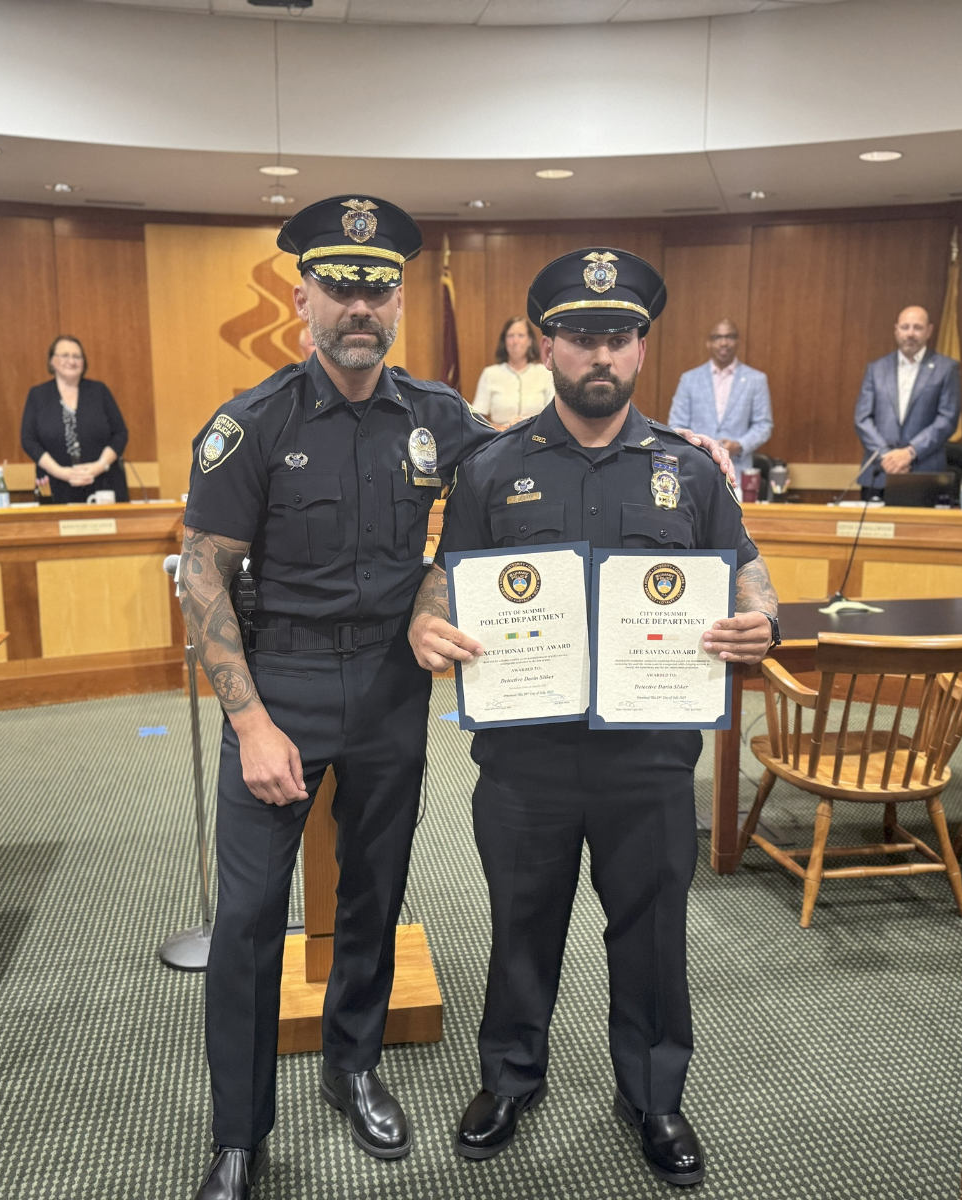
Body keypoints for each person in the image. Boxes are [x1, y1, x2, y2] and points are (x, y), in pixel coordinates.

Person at [407, 247, 777, 1188]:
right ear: (547, 346)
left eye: (617, 336)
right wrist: (426, 615)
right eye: (578, 337)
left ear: (643, 348)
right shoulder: (493, 466)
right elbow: (449, 569)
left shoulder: (690, 470)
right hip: (525, 758)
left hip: (649, 755)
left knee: (652, 930)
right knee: (520, 922)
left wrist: (762, 616)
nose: (598, 354)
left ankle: (654, 1095)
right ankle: (510, 1077)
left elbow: (740, 560)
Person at [175, 194, 496, 1200]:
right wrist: (252, 720)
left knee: (375, 893)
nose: (360, 307)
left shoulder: (438, 417)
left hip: (396, 692)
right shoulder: (252, 424)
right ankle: (239, 1133)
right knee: (252, 916)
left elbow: (519, 487)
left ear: (398, 301)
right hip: (284, 685)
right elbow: (203, 575)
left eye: (379, 289)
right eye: (340, 288)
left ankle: (353, 1067)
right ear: (303, 297)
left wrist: (679, 448)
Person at [851, 304, 960, 492]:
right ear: (896, 331)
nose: (910, 333)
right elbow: (862, 419)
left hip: (925, 475)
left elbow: (947, 419)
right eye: (905, 327)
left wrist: (911, 452)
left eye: (917, 328)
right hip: (879, 473)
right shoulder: (876, 369)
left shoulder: (946, 369)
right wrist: (887, 457)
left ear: (929, 331)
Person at [20, 334, 131, 504]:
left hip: (103, 483)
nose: (71, 361)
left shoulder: (99, 391)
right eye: (65, 355)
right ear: (52, 361)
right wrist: (59, 471)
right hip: (55, 486)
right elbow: (28, 440)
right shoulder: (38, 395)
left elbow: (120, 433)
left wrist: (99, 467)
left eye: (77, 356)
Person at [667, 319, 773, 483]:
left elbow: (763, 425)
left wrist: (739, 445)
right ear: (709, 343)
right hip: (694, 471)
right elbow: (676, 424)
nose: (723, 342)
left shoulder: (756, 380)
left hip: (737, 474)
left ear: (738, 341)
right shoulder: (689, 380)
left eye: (729, 336)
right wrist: (699, 445)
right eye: (717, 337)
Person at [473, 315, 555, 427]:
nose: (515, 341)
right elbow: (477, 418)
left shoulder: (545, 373)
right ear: (505, 341)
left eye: (521, 335)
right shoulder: (490, 374)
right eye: (511, 336)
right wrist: (501, 429)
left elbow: (553, 416)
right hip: (500, 438)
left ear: (530, 341)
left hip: (537, 438)